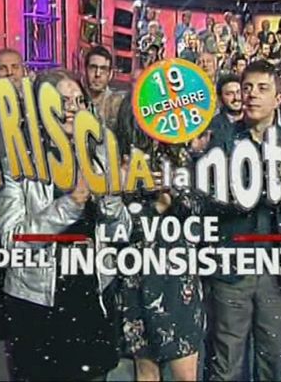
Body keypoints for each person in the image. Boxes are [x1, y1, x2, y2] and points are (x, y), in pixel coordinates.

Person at [0, 68, 131, 381]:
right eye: (62, 101)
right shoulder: (16, 162)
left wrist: (112, 197)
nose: (72, 108)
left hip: (92, 296)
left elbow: (120, 232)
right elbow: (11, 241)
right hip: (38, 303)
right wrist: (70, 204)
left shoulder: (99, 154)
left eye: (78, 101)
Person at [205, 60, 281, 381]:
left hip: (278, 270)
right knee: (226, 362)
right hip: (232, 267)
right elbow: (211, 199)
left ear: (279, 97)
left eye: (262, 88)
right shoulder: (221, 140)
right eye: (247, 88)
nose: (252, 94)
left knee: (273, 361)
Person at [114, 89, 206, 382]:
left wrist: (171, 193)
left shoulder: (180, 156)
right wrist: (129, 189)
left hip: (177, 274)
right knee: (146, 371)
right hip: (138, 274)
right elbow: (115, 223)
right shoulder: (120, 160)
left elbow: (197, 212)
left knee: (185, 373)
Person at [83, 45, 124, 131]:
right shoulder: (75, 99)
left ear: (110, 74)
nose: (97, 74)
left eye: (103, 69)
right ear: (85, 70)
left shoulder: (118, 105)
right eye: (93, 68)